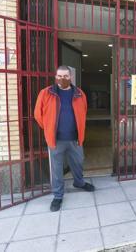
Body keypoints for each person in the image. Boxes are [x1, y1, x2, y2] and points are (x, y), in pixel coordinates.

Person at [34, 65, 95, 212]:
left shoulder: (80, 94)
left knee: (78, 162)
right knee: (56, 168)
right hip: (56, 140)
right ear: (56, 77)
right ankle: (58, 195)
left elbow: (84, 112)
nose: (62, 79)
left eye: (66, 76)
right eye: (59, 76)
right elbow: (38, 115)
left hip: (75, 138)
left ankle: (79, 183)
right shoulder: (46, 93)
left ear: (70, 77)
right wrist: (49, 128)